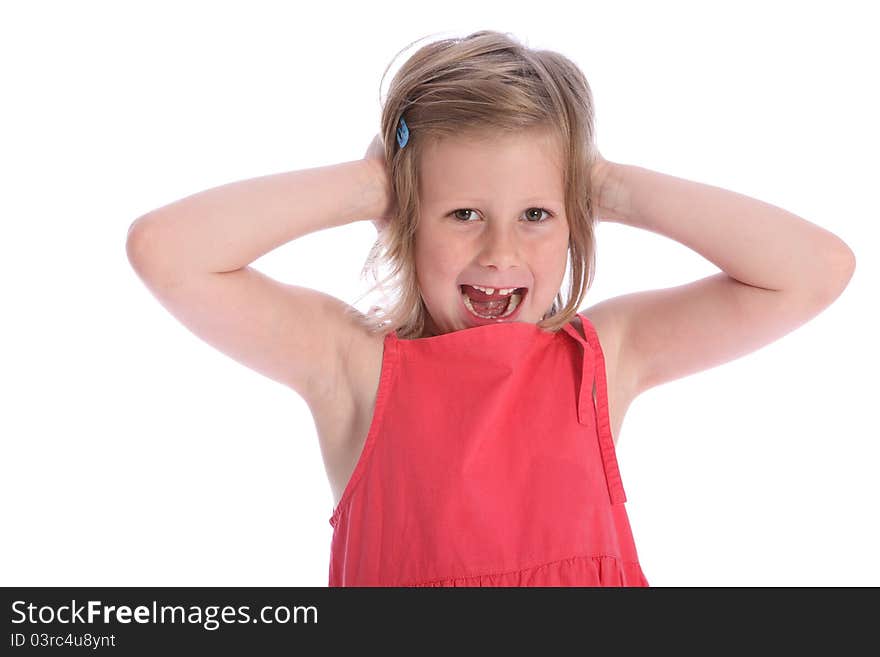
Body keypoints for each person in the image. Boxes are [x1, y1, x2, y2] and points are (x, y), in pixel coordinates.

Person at [125, 30, 855, 587]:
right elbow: (167, 249)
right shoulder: (352, 368)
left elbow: (815, 270)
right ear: (405, 219)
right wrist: (374, 186)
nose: (501, 250)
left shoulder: (603, 359)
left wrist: (609, 188)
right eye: (464, 212)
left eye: (537, 213)